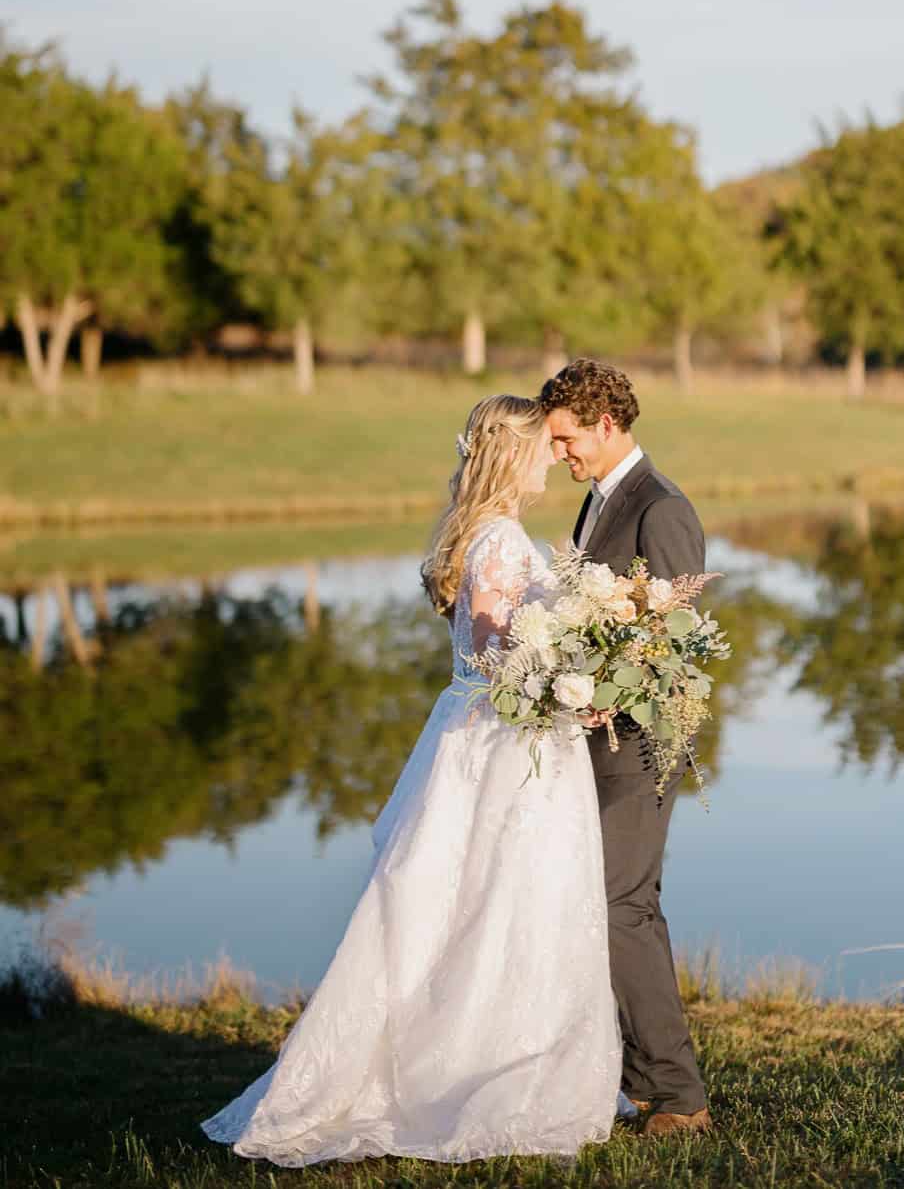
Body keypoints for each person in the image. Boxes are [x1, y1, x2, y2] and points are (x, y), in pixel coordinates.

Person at [201, 395, 622, 1166]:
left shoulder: (492, 534)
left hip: (492, 737)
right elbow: (504, 661)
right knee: (498, 899)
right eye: (537, 446)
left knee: (476, 901)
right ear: (509, 455)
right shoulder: (496, 541)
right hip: (502, 746)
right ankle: (470, 1076)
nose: (547, 458)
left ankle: (494, 1056)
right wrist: (577, 690)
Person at [540, 359, 711, 1136]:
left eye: (567, 438)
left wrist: (604, 697)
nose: (560, 454)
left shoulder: (660, 508)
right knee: (614, 905)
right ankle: (645, 1083)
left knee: (623, 906)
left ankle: (679, 1095)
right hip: (597, 740)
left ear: (606, 425)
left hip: (641, 745)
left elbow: (679, 648)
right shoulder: (597, 502)